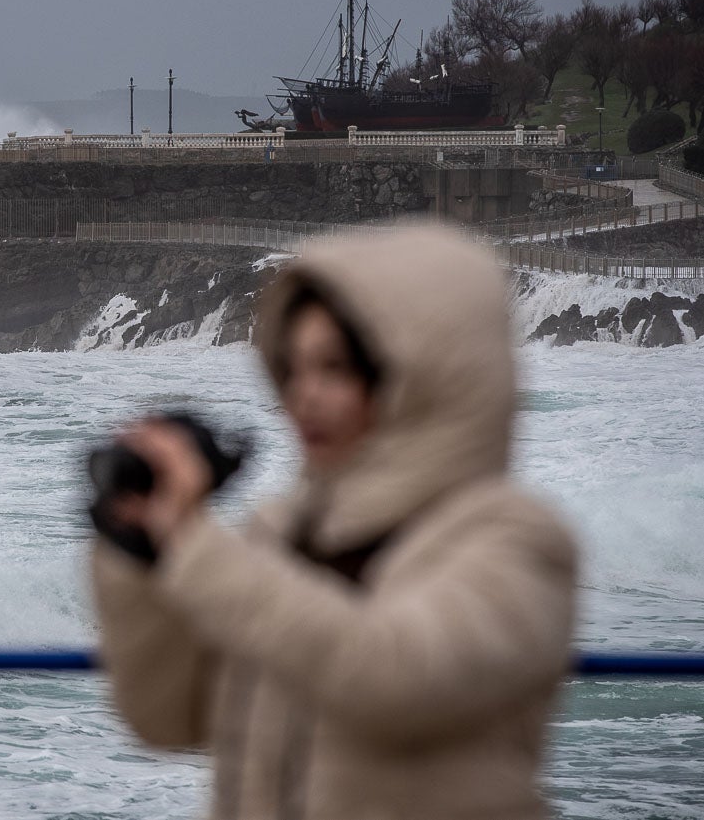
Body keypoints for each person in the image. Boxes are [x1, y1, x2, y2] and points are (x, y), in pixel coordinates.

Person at [90, 225, 578, 820]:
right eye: (292, 369)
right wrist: (139, 553)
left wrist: (193, 546)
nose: (305, 396)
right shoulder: (282, 534)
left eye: (336, 368)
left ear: (423, 376)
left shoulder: (516, 541)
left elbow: (393, 679)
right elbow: (164, 719)